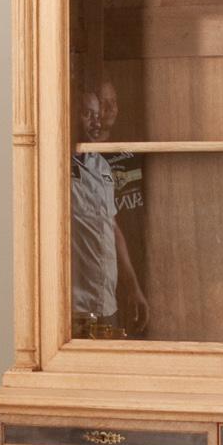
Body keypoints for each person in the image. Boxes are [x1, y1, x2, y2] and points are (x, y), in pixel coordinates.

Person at [71, 84, 148, 338]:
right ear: (70, 116)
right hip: (75, 309)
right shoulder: (56, 169)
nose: (95, 122)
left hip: (106, 300)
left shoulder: (101, 164)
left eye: (96, 115)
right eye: (86, 114)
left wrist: (132, 288)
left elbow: (112, 229)